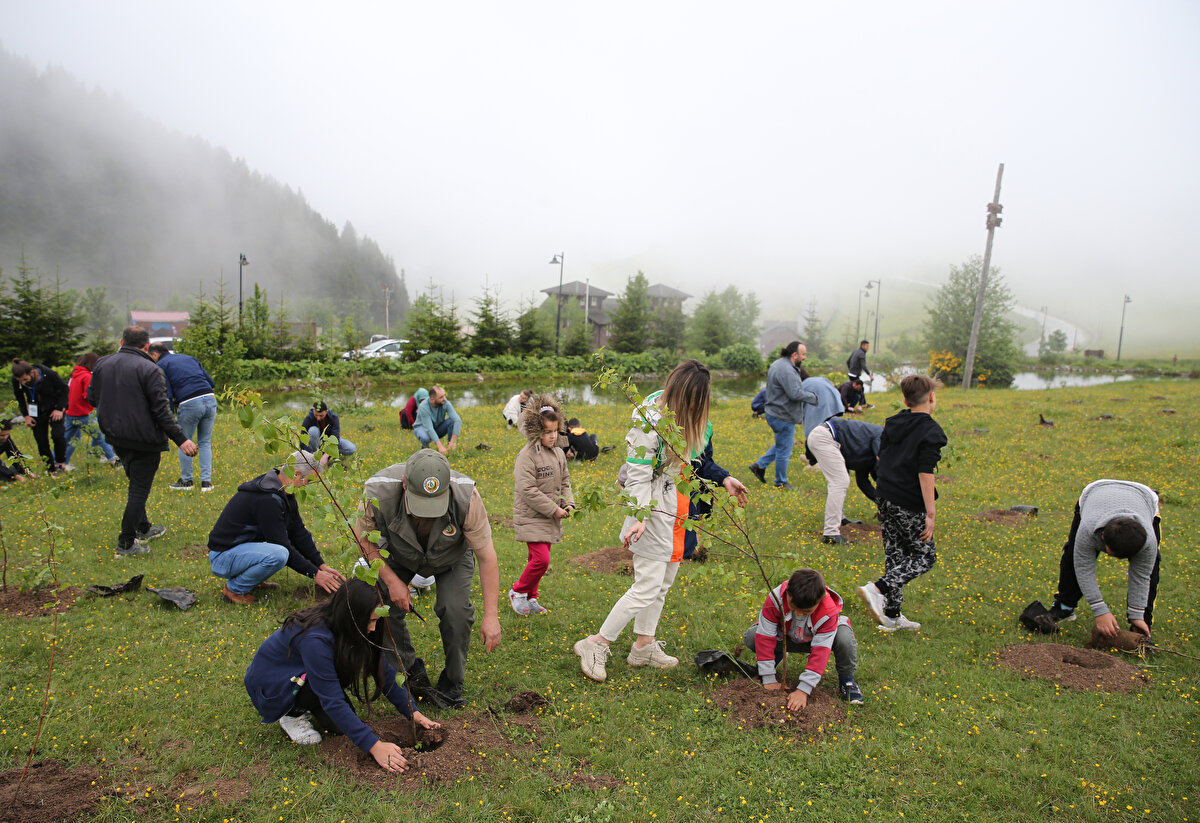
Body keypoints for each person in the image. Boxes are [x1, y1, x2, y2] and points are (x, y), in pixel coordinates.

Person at [575, 360, 746, 683]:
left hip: (680, 508)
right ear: (684, 396)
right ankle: (595, 643)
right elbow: (637, 477)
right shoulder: (648, 423)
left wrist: (724, 479)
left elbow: (701, 461)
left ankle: (643, 645)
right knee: (646, 586)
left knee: (662, 584)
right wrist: (640, 516)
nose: (702, 407)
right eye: (698, 401)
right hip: (651, 509)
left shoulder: (698, 421)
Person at [353, 449, 502, 709]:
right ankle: (410, 671)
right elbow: (362, 538)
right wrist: (391, 580)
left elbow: (487, 557)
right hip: (399, 554)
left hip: (451, 557)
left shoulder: (467, 497)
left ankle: (452, 682)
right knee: (383, 606)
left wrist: (491, 616)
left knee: (455, 611)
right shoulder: (378, 491)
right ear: (404, 484)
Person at [243, 578, 441, 772]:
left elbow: (384, 672)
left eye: (376, 620)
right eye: (370, 621)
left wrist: (412, 711)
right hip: (275, 685)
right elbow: (333, 700)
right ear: (351, 616)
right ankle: (291, 714)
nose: (373, 628)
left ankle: (310, 702)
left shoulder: (353, 627)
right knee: (334, 707)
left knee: (339, 726)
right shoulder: (316, 640)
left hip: (308, 673)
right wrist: (375, 746)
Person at [87, 326, 198, 557]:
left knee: (136, 483)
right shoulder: (150, 369)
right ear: (147, 346)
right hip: (143, 439)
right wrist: (181, 439)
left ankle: (144, 527)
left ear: (121, 341)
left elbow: (91, 397)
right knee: (138, 490)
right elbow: (162, 410)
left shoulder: (102, 364)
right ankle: (126, 543)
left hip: (116, 436)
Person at [857, 375, 947, 632]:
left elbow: (879, 455)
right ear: (931, 398)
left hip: (884, 495)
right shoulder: (931, 431)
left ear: (906, 400)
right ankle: (877, 589)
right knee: (924, 557)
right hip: (908, 501)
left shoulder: (894, 421)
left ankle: (893, 616)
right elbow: (925, 473)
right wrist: (930, 513)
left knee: (895, 555)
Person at [207, 450, 345, 604]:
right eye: (309, 481)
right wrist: (315, 574)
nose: (307, 486)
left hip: (240, 549)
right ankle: (234, 590)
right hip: (222, 557)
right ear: (296, 474)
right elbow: (281, 544)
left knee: (287, 547)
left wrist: (321, 565)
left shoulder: (283, 491)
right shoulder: (268, 499)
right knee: (278, 554)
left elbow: (297, 531)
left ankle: (252, 579)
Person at [1043, 480, 1161, 639]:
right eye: (1115, 554)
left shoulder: (1148, 541)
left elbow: (1141, 576)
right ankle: (1064, 607)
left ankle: (1141, 627)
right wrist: (1100, 610)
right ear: (1103, 537)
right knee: (1072, 555)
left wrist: (1137, 614)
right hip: (1095, 492)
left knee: (1151, 569)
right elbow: (1083, 567)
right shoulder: (1088, 529)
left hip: (1144, 498)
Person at [745, 568, 864, 707]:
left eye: (806, 611)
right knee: (753, 636)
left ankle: (847, 681)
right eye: (793, 607)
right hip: (787, 637)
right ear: (787, 594)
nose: (799, 614)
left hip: (817, 640)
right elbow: (765, 637)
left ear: (820, 601)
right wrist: (768, 678)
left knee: (845, 639)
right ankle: (774, 660)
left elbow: (821, 652)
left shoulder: (828, 611)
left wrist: (803, 690)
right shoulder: (775, 598)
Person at [510, 395, 575, 615]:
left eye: (555, 431)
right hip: (532, 516)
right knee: (541, 560)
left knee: (535, 559)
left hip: (550, 516)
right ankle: (517, 592)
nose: (552, 436)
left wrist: (568, 503)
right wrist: (553, 509)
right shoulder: (526, 456)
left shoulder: (558, 453)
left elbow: (565, 481)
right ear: (536, 431)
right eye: (547, 432)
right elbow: (527, 490)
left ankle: (531, 597)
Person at [148, 343, 218, 491]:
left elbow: (168, 393)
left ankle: (187, 481)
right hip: (210, 397)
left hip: (189, 402)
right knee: (205, 442)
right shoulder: (189, 358)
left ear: (154, 354)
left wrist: (169, 416)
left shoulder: (161, 365)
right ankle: (206, 483)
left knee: (184, 440)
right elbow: (211, 382)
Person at [748, 342, 815, 491]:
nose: (804, 357)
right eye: (803, 354)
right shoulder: (787, 370)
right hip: (782, 415)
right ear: (794, 355)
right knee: (785, 450)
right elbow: (795, 393)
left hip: (775, 411)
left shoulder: (779, 364)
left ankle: (759, 466)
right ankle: (780, 482)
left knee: (783, 444)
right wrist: (814, 397)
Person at [799, 375, 849, 544]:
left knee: (839, 479)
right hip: (834, 417)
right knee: (840, 480)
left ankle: (835, 526)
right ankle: (831, 531)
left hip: (824, 426)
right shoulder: (820, 381)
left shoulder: (806, 385)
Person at [11, 359, 70, 475]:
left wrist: (59, 408)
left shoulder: (48, 374)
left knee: (58, 435)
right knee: (41, 441)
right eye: (20, 381)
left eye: (25, 379)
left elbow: (64, 389)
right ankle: (50, 468)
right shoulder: (16, 380)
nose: (23, 383)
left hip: (54, 408)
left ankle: (60, 463)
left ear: (32, 372)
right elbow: (20, 398)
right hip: (35, 412)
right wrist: (26, 416)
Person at [63, 352, 118, 469]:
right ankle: (113, 460)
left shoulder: (75, 375)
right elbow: (88, 396)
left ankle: (60, 463)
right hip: (83, 413)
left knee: (69, 440)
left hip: (71, 413)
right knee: (100, 436)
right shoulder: (87, 376)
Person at [412, 385, 462, 455]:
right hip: (422, 428)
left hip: (436, 426)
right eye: (441, 397)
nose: (444, 398)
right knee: (425, 438)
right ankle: (425, 450)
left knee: (452, 421)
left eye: (444, 395)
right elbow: (429, 428)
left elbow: (457, 420)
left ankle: (450, 448)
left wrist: (453, 441)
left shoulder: (445, 402)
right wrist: (440, 446)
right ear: (432, 399)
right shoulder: (423, 407)